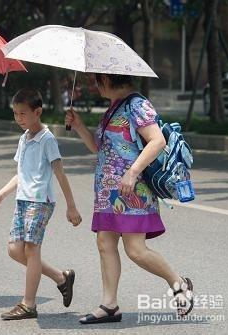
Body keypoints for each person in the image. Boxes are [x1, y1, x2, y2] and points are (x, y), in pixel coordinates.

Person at [65, 73, 194, 324]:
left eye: (98, 79)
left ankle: (179, 284)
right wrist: (79, 125)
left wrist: (133, 172)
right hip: (108, 192)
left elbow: (157, 141)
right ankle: (109, 305)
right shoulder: (113, 107)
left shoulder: (137, 105)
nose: (95, 84)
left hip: (131, 190)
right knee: (105, 243)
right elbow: (98, 147)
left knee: (135, 250)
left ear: (110, 79)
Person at [0, 89, 82, 320]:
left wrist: (71, 206)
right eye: (15, 113)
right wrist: (1, 195)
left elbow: (60, 173)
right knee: (14, 250)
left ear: (37, 112)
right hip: (22, 200)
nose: (18, 118)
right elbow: (20, 174)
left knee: (31, 250)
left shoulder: (47, 139)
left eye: (22, 113)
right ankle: (61, 278)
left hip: (40, 202)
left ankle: (28, 304)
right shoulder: (24, 138)